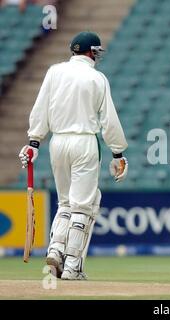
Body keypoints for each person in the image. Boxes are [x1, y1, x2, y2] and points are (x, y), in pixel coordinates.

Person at [18, 31, 128, 280]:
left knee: (65, 202)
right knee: (83, 205)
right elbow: (109, 121)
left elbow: (41, 107)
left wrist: (34, 142)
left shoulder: (54, 72)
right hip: (84, 142)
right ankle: (72, 267)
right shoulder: (97, 78)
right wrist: (118, 153)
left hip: (57, 143)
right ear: (93, 52)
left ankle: (55, 251)